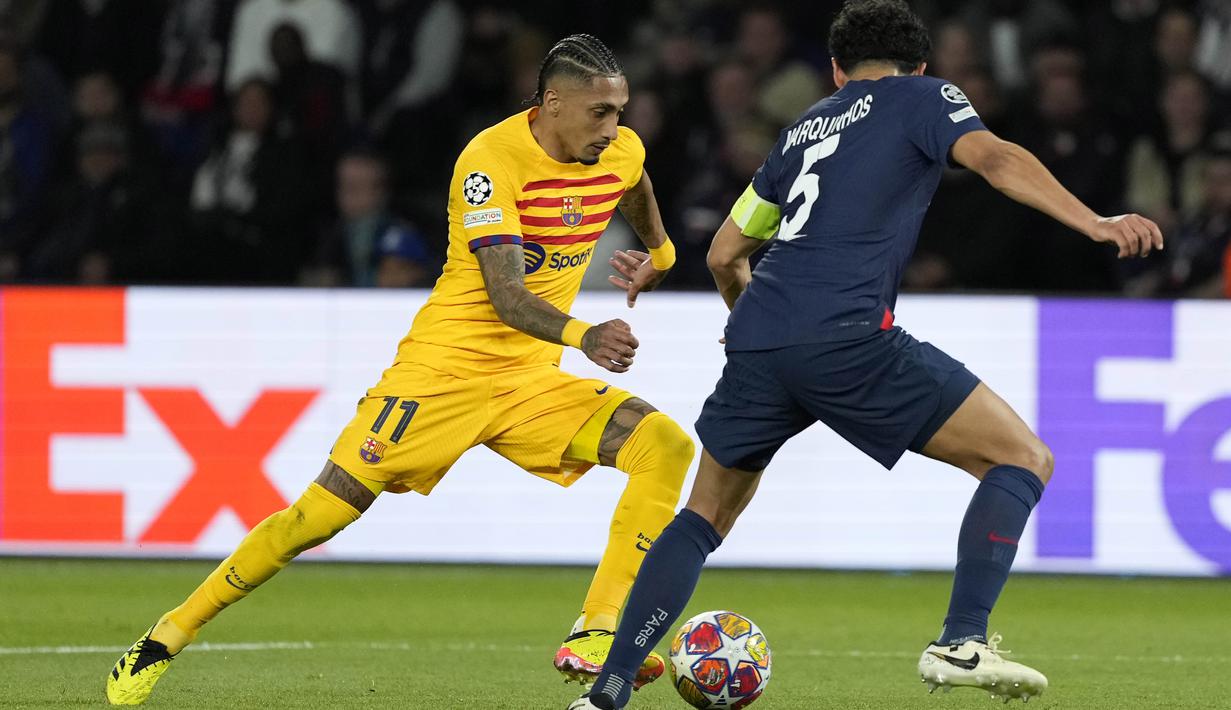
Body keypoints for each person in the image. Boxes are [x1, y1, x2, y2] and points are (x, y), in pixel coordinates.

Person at [570, 2, 1163, 708]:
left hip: (761, 339)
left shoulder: (802, 128)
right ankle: (961, 641)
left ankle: (605, 692)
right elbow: (997, 158)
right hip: (846, 333)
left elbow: (727, 253)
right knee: (1021, 459)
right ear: (919, 65)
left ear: (835, 70)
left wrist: (757, 324)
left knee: (700, 519)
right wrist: (1093, 221)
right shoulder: (925, 97)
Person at [106, 33, 693, 705]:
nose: (614, 128)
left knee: (663, 445)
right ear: (552, 103)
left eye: (620, 111)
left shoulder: (617, 150)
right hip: (440, 375)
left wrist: (663, 251)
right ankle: (167, 634)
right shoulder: (490, 161)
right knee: (317, 517)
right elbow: (506, 297)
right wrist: (585, 335)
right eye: (600, 113)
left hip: (529, 380)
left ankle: (596, 631)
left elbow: (634, 182)